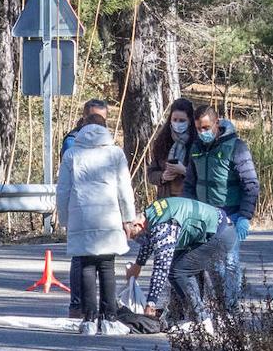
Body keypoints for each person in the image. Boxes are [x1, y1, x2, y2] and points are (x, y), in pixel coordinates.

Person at [55, 112, 135, 336]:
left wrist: (64, 219)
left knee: (86, 265)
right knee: (107, 266)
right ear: (105, 129)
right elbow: (124, 189)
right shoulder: (115, 153)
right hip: (109, 216)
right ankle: (109, 318)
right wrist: (128, 218)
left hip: (81, 216)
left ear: (82, 127)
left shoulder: (72, 154)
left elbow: (63, 190)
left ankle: (89, 319)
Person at [182, 105, 259, 307]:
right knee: (213, 266)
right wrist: (188, 213)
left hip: (231, 216)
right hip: (205, 218)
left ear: (217, 123)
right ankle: (219, 304)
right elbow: (190, 183)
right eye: (198, 128)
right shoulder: (196, 148)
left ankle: (230, 305)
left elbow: (250, 183)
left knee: (230, 262)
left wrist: (245, 216)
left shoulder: (236, 146)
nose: (202, 132)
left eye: (206, 127)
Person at [124, 196, 236, 333]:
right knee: (182, 266)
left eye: (133, 236)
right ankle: (189, 315)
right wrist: (138, 265)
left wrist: (151, 303)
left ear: (138, 225)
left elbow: (161, 267)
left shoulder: (163, 226)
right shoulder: (151, 214)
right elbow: (150, 240)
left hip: (220, 235)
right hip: (220, 228)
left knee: (177, 271)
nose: (134, 240)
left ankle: (201, 320)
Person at [62, 98, 112, 320]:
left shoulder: (110, 145)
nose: (98, 124)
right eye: (94, 118)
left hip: (104, 213)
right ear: (84, 118)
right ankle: (79, 305)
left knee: (105, 263)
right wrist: (64, 216)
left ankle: (105, 310)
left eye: (103, 119)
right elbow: (65, 185)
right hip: (81, 209)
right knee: (82, 262)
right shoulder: (72, 144)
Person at [146, 98, 196, 200]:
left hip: (189, 199)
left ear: (190, 121)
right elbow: (151, 173)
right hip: (165, 199)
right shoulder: (161, 142)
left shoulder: (197, 143)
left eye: (182, 120)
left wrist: (184, 171)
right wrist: (162, 176)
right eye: (175, 120)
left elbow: (203, 177)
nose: (178, 124)